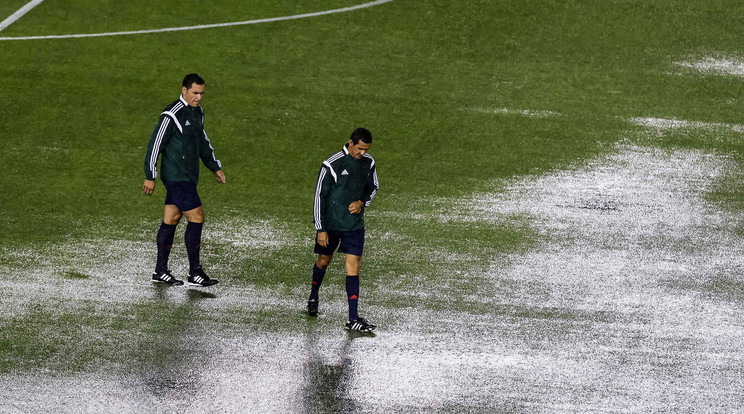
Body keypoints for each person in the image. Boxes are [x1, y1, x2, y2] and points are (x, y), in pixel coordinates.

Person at [142, 73, 225, 287]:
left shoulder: (198, 113)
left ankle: (160, 271)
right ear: (184, 90)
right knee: (197, 216)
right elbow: (155, 145)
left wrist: (214, 166)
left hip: (188, 177)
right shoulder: (172, 114)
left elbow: (202, 141)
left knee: (171, 218)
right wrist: (150, 176)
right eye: (195, 93)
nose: (198, 97)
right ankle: (194, 272)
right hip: (176, 177)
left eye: (201, 93)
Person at [307, 127, 380, 333]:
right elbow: (319, 197)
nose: (363, 153)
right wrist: (321, 228)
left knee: (353, 265)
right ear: (350, 143)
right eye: (360, 149)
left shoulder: (369, 163)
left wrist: (361, 202)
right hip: (331, 225)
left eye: (366, 149)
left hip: (354, 225)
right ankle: (313, 295)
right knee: (323, 260)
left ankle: (353, 317)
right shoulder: (332, 164)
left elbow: (373, 187)